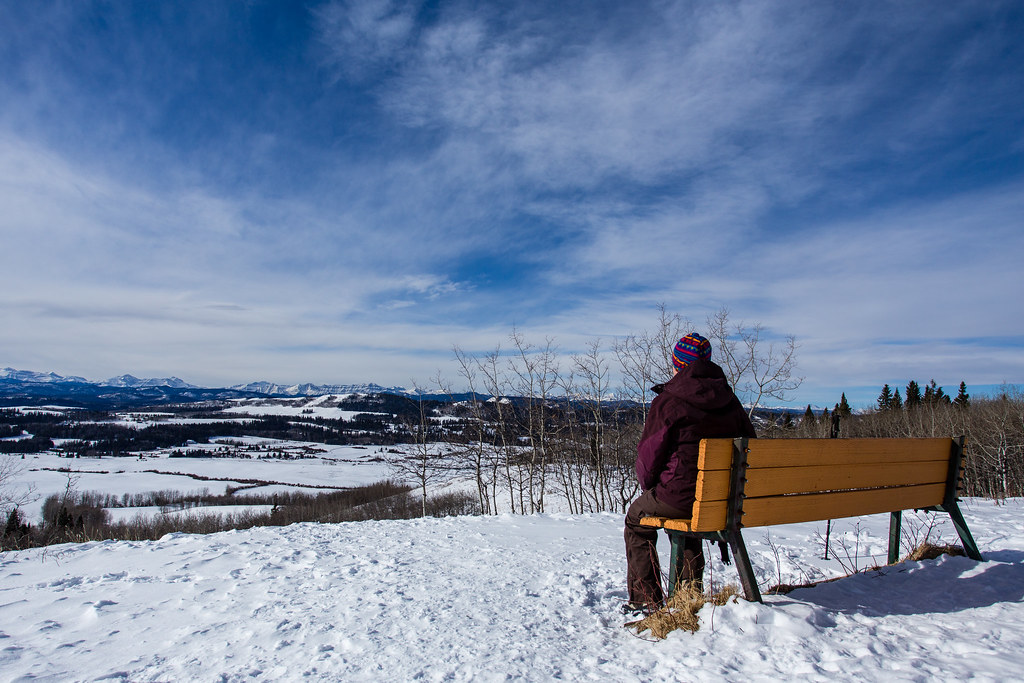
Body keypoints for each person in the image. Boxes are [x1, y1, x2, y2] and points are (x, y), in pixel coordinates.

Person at [623, 333, 756, 614]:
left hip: (679, 495)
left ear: (678, 365)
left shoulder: (669, 401)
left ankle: (645, 601)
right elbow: (750, 445)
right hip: (720, 497)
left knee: (637, 518)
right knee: (693, 511)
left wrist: (651, 487)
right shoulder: (730, 401)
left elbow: (648, 459)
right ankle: (688, 596)